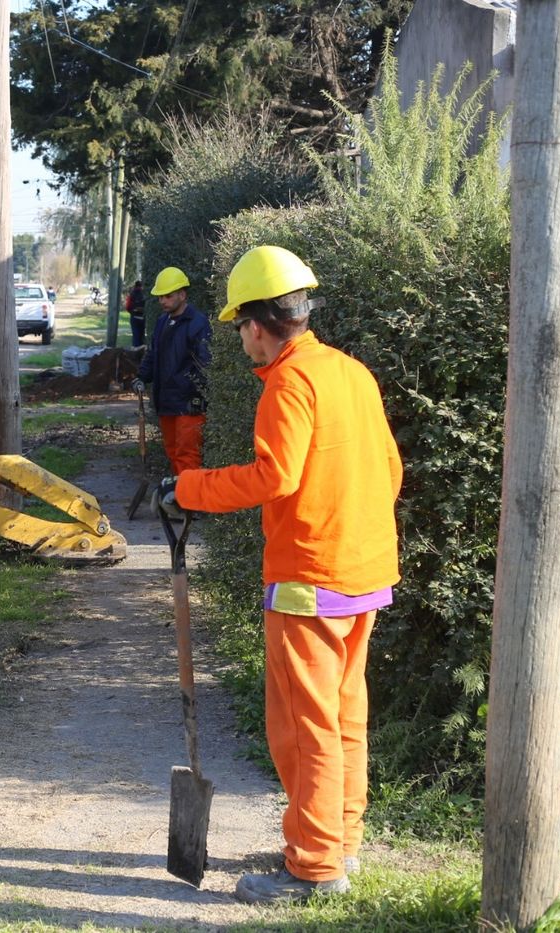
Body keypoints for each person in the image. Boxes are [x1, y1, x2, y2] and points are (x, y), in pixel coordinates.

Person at [153, 245, 403, 905]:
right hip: (364, 574)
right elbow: (390, 468)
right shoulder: (351, 373)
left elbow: (275, 476)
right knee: (345, 716)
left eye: (240, 327)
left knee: (303, 725)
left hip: (309, 582)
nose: (239, 340)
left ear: (260, 324)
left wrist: (191, 487)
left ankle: (315, 866)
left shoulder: (289, 384)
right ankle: (335, 841)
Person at [133, 266, 211, 473]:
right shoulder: (162, 322)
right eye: (160, 297)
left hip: (188, 405)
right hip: (166, 401)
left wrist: (197, 396)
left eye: (167, 296)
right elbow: (153, 353)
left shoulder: (198, 323)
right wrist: (142, 376)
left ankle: (190, 501)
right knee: (173, 452)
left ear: (182, 295)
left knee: (188, 456)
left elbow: (204, 364)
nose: (162, 301)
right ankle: (179, 499)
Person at [125, 279, 147, 348]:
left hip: (134, 317)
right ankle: (142, 351)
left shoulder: (132, 294)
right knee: (141, 335)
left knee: (135, 335)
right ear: (141, 286)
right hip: (142, 317)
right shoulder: (145, 294)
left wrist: (132, 312)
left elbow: (127, 306)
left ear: (135, 286)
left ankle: (135, 351)